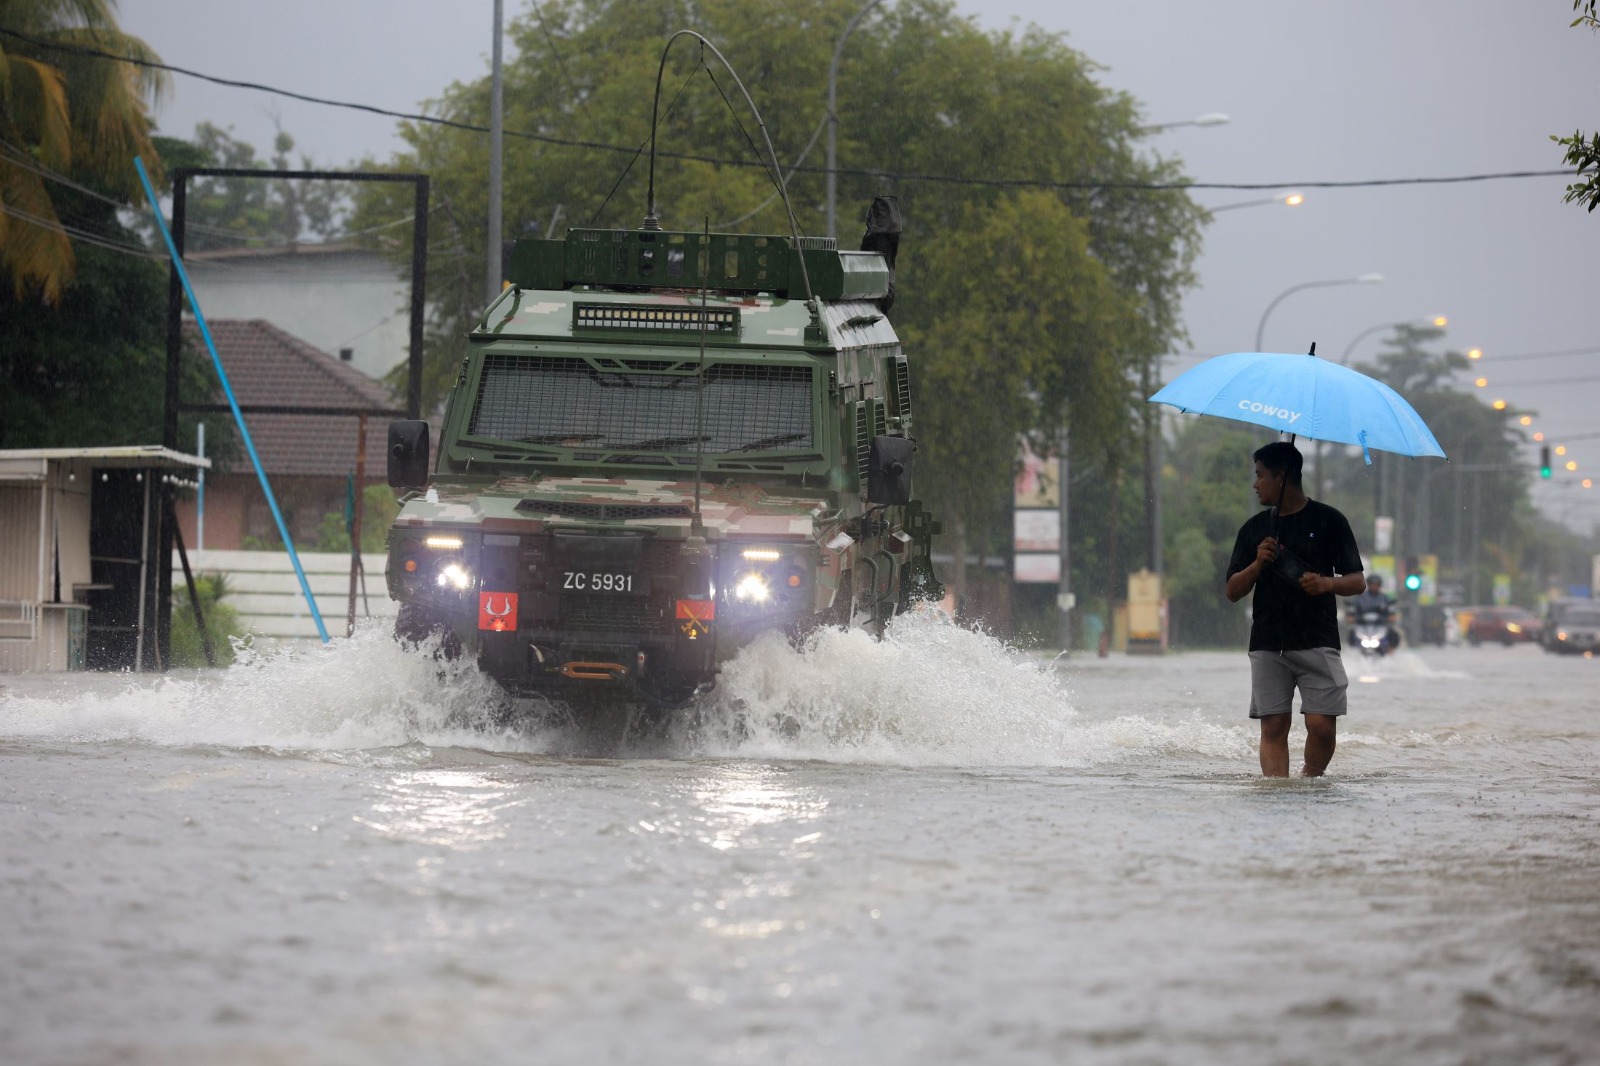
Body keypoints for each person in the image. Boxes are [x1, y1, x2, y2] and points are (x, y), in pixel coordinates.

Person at [1225, 441, 1366, 777]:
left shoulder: (1330, 521)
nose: (1255, 484)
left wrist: (1326, 584)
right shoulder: (1254, 529)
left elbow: (1357, 581)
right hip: (1268, 642)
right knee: (1273, 726)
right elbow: (1232, 591)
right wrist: (1257, 563)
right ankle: (1279, 793)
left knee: (1322, 727)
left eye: (1260, 475)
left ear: (1283, 476)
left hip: (1318, 639)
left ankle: (1309, 782)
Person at [1349, 574, 1400, 650]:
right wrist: (1352, 617)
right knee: (1352, 632)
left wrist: (1390, 617)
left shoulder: (1384, 598)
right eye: (1372, 584)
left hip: (1380, 625)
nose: (1374, 586)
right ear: (1368, 584)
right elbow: (1352, 611)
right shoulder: (1360, 598)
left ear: (1379, 585)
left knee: (1393, 633)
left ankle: (1390, 650)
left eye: (1376, 584)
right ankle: (1353, 650)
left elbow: (1391, 612)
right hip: (1363, 625)